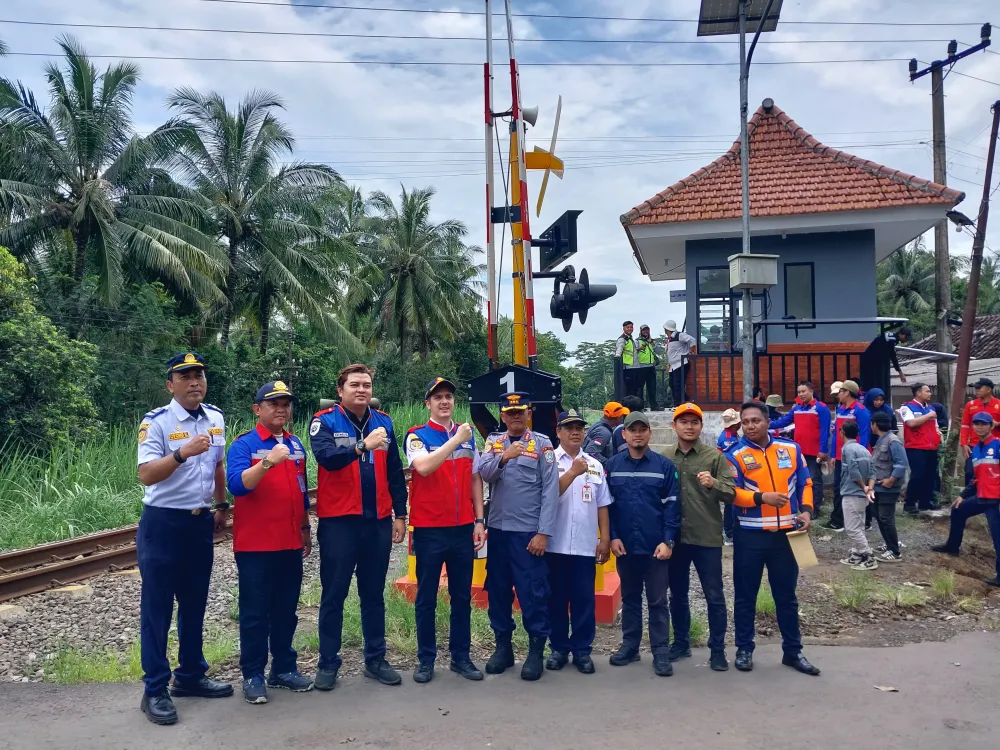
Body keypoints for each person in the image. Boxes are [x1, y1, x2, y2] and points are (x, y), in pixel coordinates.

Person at [136, 352, 233, 725]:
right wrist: (181, 453)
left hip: (198, 525)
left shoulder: (215, 417)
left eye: (199, 375)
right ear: (170, 384)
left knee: (194, 604)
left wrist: (221, 504)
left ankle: (190, 676)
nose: (195, 382)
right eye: (186, 376)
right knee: (157, 610)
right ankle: (155, 689)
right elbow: (146, 475)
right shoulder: (156, 423)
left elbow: (218, 464)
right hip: (163, 525)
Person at [309, 364, 408, 691]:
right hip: (340, 523)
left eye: (366, 384)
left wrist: (400, 514)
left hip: (377, 522)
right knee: (334, 594)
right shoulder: (323, 422)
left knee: (373, 593)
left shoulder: (385, 424)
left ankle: (376, 659)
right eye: (354, 385)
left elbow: (395, 472)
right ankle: (327, 663)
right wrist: (362, 446)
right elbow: (327, 458)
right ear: (341, 390)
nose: (361, 390)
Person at [226, 380, 313, 704]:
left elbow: (301, 491)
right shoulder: (244, 445)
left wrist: (305, 528)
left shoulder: (296, 445)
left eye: (286, 403)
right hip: (255, 546)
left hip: (290, 542)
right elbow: (236, 485)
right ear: (257, 409)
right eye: (274, 403)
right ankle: (253, 674)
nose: (281, 409)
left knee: (286, 611)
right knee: (254, 613)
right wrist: (266, 463)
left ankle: (284, 669)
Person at [726, 401, 820, 676]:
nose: (750, 426)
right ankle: (744, 649)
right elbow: (733, 493)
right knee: (745, 596)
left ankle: (793, 652)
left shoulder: (791, 449)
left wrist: (806, 511)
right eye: (745, 422)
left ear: (768, 422)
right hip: (750, 536)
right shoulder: (735, 454)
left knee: (786, 597)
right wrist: (760, 497)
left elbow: (805, 483)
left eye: (756, 420)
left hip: (786, 537)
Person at [405, 378, 487, 684]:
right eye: (437, 397)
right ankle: (426, 659)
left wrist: (479, 521)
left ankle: (461, 658)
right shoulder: (416, 436)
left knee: (462, 596)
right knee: (426, 596)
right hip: (429, 530)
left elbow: (476, 479)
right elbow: (423, 467)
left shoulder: (468, 439)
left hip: (463, 528)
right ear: (428, 403)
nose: (444, 401)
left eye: (449, 397)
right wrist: (455, 440)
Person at [477, 392, 560, 681]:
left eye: (520, 412)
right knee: (498, 591)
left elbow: (550, 491)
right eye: (509, 413)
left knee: (533, 593)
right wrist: (503, 458)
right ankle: (503, 648)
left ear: (529, 413)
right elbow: (483, 474)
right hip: (498, 531)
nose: (515, 417)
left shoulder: (542, 444)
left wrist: (543, 532)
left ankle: (536, 649)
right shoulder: (493, 442)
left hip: (528, 534)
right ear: (501, 415)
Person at [606, 411, 680, 677]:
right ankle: (630, 646)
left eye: (642, 429)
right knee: (630, 597)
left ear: (649, 433)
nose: (637, 434)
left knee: (658, 601)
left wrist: (668, 540)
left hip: (655, 547)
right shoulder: (612, 466)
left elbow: (672, 507)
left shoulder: (664, 466)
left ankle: (660, 651)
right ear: (623, 434)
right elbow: (608, 507)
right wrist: (612, 536)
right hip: (625, 546)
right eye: (632, 430)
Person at [661, 403, 735, 672]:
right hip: (675, 538)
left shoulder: (714, 457)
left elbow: (731, 492)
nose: (689, 426)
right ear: (674, 426)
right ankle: (681, 643)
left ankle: (717, 650)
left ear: (701, 426)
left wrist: (712, 483)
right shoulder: (664, 457)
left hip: (706, 536)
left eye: (694, 422)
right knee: (677, 594)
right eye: (684, 422)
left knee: (714, 595)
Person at [545, 410, 612, 675]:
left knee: (585, 600)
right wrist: (572, 472)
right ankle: (559, 648)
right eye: (569, 427)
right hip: (555, 545)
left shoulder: (594, 465)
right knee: (557, 600)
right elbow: (548, 495)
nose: (575, 432)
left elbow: (603, 504)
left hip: (585, 547)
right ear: (558, 432)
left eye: (580, 427)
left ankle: (583, 651)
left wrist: (604, 539)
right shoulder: (548, 460)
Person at [931, 412, 1000, 587]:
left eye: (983, 424)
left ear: (991, 426)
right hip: (982, 496)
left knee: (998, 538)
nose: (979, 426)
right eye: (976, 423)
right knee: (958, 510)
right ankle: (952, 547)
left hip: (995, 500)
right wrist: (962, 495)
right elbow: (976, 479)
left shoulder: (997, 445)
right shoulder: (976, 449)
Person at [769, 382, 831, 519]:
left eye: (803, 391)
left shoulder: (821, 408)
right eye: (799, 392)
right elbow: (783, 422)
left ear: (811, 391)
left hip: (814, 452)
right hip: (798, 451)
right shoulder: (797, 408)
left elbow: (825, 431)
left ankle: (815, 508)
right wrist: (765, 424)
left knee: (814, 479)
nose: (801, 394)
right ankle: (803, 506)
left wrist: (823, 450)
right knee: (799, 480)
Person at [822, 380, 870, 532]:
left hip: (854, 457)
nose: (838, 394)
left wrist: (858, 455)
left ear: (847, 392)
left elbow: (864, 435)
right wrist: (833, 455)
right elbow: (837, 434)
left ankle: (866, 520)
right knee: (838, 488)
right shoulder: (841, 409)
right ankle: (838, 520)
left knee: (858, 487)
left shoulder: (860, 411)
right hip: (840, 456)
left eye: (840, 391)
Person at [838, 421, 877, 571]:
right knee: (859, 526)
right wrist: (869, 488)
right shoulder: (864, 450)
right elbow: (873, 471)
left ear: (842, 433)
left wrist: (863, 486)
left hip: (852, 492)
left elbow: (853, 472)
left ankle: (868, 555)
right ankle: (857, 554)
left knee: (852, 528)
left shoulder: (847, 449)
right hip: (862, 495)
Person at [870, 411, 908, 563]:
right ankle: (888, 544)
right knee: (880, 517)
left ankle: (895, 551)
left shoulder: (893, 441)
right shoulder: (881, 440)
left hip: (889, 488)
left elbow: (901, 464)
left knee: (886, 518)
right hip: (879, 486)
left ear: (875, 425)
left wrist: (891, 480)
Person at [900, 383, 941, 515]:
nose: (930, 393)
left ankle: (925, 501)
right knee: (918, 475)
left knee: (930, 475)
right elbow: (911, 423)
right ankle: (910, 503)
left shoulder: (930, 408)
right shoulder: (907, 407)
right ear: (918, 393)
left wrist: (938, 435)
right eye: (927, 391)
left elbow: (935, 426)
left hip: (931, 447)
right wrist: (929, 416)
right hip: (915, 447)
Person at [959, 378, 1000, 483]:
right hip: (974, 445)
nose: (976, 390)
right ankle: (969, 498)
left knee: (992, 473)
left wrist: (997, 424)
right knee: (970, 473)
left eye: (979, 388)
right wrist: (964, 444)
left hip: (995, 445)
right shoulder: (970, 405)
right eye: (975, 388)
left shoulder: (998, 404)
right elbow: (965, 425)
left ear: (989, 390)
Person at [859, 325, 911, 394]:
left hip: (871, 361)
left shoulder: (892, 337)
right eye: (906, 337)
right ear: (901, 334)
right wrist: (900, 373)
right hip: (871, 362)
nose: (906, 340)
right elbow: (893, 357)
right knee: (873, 384)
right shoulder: (892, 340)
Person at [717, 408, 742, 545]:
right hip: (730, 476)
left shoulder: (732, 435)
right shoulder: (727, 439)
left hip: (734, 475)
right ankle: (729, 534)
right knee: (730, 506)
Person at [582, 401, 629, 468]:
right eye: (622, 416)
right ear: (618, 418)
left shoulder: (598, 424)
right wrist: (609, 463)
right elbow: (591, 452)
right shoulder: (603, 432)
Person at [664, 320, 697, 407]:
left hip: (681, 363)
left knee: (678, 384)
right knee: (672, 384)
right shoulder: (670, 339)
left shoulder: (679, 335)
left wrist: (692, 351)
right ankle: (685, 400)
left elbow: (692, 340)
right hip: (674, 366)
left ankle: (678, 404)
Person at [634, 324, 661, 410]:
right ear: (640, 331)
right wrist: (640, 348)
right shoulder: (637, 341)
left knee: (652, 387)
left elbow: (658, 351)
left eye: (647, 330)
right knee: (640, 388)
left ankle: (654, 406)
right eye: (644, 330)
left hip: (651, 367)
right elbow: (633, 352)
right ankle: (640, 407)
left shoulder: (651, 341)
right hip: (641, 367)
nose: (646, 332)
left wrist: (652, 343)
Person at [615, 321, 637, 400]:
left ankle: (633, 405)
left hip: (633, 367)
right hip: (627, 367)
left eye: (631, 327)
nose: (630, 329)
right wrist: (617, 359)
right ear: (623, 328)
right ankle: (628, 405)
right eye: (628, 327)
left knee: (633, 388)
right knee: (629, 388)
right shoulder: (622, 339)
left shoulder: (630, 338)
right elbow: (619, 350)